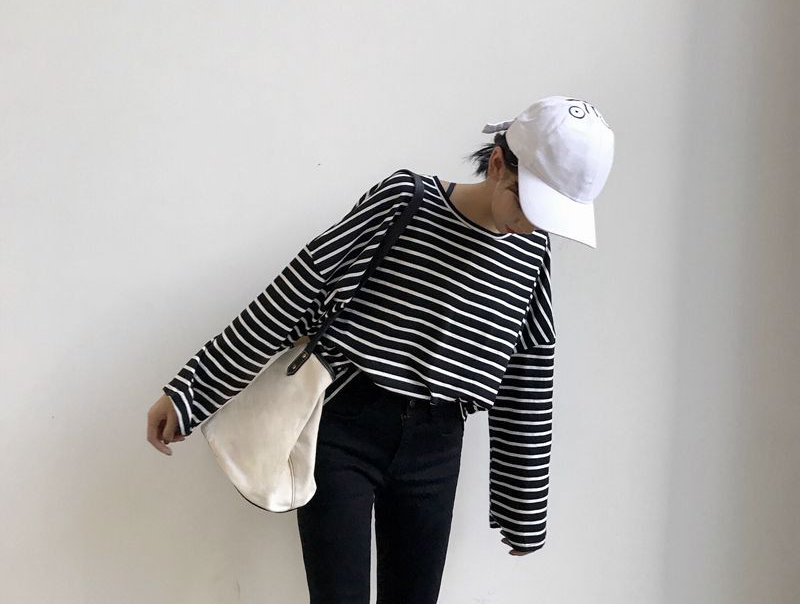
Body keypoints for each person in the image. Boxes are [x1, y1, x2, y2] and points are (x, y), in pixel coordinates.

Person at [146, 95, 615, 603]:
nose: (529, 224)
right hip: (345, 432)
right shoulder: (406, 201)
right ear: (499, 163)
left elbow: (528, 372)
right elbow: (294, 294)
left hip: (437, 449)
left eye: (548, 216)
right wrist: (191, 393)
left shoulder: (531, 252)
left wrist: (523, 509)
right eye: (527, 204)